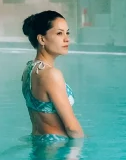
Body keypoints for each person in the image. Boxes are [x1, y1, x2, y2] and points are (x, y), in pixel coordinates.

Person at [21, 10, 84, 143]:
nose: (67, 39)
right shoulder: (51, 75)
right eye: (59, 33)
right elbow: (72, 128)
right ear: (42, 39)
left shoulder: (29, 70)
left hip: (39, 142)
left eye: (67, 33)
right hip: (58, 149)